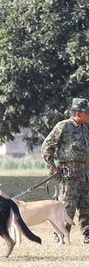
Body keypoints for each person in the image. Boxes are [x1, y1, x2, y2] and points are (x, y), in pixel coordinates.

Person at [41, 97, 89, 244]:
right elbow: (46, 148)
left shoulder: (85, 129)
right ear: (79, 113)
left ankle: (88, 235)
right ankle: (61, 235)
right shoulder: (64, 126)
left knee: (87, 206)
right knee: (66, 207)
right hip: (69, 174)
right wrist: (54, 169)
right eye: (87, 112)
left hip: (85, 174)